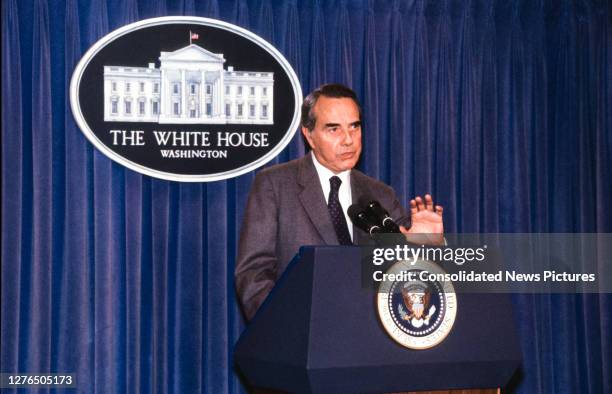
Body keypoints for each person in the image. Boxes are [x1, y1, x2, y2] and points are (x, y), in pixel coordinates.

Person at [235, 84, 444, 320]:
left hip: (371, 338)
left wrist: (428, 247)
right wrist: (288, 325)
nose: (348, 140)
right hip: (301, 336)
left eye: (354, 127)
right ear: (309, 134)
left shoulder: (380, 194)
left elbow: (410, 278)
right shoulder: (275, 184)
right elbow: (253, 273)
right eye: (333, 129)